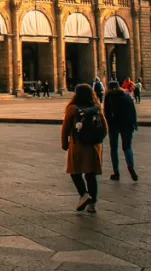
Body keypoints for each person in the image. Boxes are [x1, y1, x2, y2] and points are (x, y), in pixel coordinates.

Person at [61, 83, 107, 213]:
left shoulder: (72, 108)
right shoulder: (96, 107)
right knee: (91, 175)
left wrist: (65, 144)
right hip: (94, 146)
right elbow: (104, 127)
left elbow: (65, 128)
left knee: (75, 172)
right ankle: (92, 204)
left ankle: (84, 194)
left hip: (77, 145)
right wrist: (98, 141)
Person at [103, 81, 138, 182]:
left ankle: (116, 172)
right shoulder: (126, 96)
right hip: (127, 125)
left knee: (114, 148)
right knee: (127, 147)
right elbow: (133, 110)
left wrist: (108, 124)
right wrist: (134, 124)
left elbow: (106, 112)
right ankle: (130, 166)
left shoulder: (108, 97)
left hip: (114, 125)